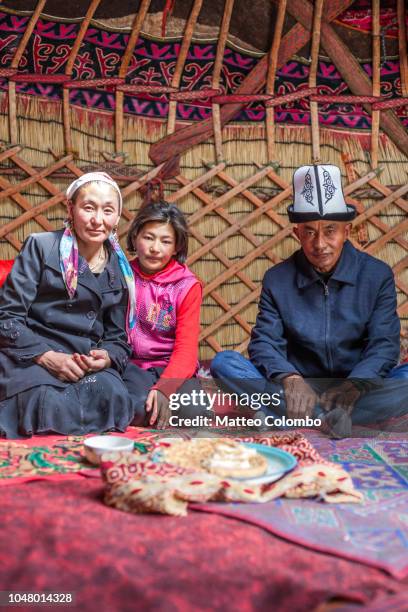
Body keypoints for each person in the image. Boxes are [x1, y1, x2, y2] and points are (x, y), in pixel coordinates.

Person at [210, 164, 408, 435]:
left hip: (357, 391)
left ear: (346, 232)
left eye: (330, 230)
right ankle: (329, 419)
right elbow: (264, 342)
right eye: (310, 232)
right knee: (224, 364)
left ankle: (297, 417)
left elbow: (383, 344)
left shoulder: (376, 275)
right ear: (297, 234)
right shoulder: (277, 279)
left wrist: (355, 385)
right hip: (300, 389)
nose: (320, 244)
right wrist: (290, 378)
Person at [0, 172, 137, 438]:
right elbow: (7, 318)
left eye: (108, 210)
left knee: (113, 395)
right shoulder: (41, 247)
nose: (98, 220)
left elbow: (118, 337)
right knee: (44, 400)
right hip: (32, 358)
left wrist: (106, 357)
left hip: (82, 366)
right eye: (88, 208)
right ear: (70, 208)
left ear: (117, 218)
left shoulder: (119, 269)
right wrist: (47, 357)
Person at [123, 201, 206, 429]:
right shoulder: (123, 276)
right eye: (148, 237)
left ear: (177, 247)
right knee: (139, 409)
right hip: (133, 365)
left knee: (194, 413)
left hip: (172, 365)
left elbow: (186, 351)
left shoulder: (186, 286)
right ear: (135, 237)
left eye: (165, 241)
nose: (155, 248)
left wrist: (165, 387)